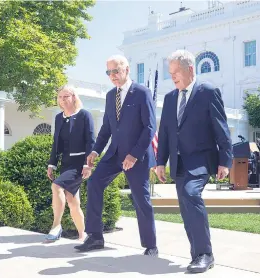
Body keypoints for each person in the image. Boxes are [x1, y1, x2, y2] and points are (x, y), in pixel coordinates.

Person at [156, 50, 232, 273]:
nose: (173, 77)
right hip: (178, 162)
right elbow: (166, 132)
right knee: (185, 208)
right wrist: (161, 162)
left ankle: (205, 254)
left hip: (201, 160)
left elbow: (222, 128)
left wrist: (225, 161)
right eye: (170, 74)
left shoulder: (208, 92)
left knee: (191, 193)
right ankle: (196, 254)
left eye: (176, 72)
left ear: (190, 69)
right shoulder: (170, 98)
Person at [74, 55, 158, 256]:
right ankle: (95, 237)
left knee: (140, 198)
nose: (112, 76)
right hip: (114, 154)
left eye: (116, 71)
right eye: (109, 72)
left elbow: (149, 127)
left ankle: (151, 245)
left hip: (136, 156)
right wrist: (95, 150)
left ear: (127, 70)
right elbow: (107, 127)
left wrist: (134, 155)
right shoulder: (111, 95)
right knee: (94, 182)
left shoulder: (142, 93)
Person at [46, 85, 95, 241]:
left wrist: (88, 165)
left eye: (66, 96)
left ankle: (56, 226)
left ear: (74, 97)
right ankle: (83, 235)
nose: (62, 100)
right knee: (73, 202)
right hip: (65, 163)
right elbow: (56, 143)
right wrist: (51, 164)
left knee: (56, 186)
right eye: (60, 97)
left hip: (79, 164)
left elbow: (90, 141)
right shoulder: (59, 118)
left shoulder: (84, 115)